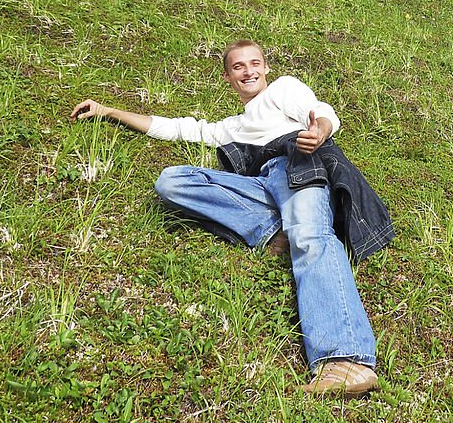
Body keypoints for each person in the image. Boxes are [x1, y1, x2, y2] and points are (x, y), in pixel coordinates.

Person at [69, 39, 393, 396]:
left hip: (298, 165)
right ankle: (274, 231)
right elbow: (176, 127)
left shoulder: (283, 90)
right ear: (228, 77)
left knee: (311, 238)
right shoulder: (232, 127)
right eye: (239, 66)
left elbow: (320, 110)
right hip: (263, 184)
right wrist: (108, 111)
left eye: (255, 63)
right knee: (172, 181)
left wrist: (320, 132)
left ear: (266, 68)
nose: (249, 70)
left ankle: (347, 359)